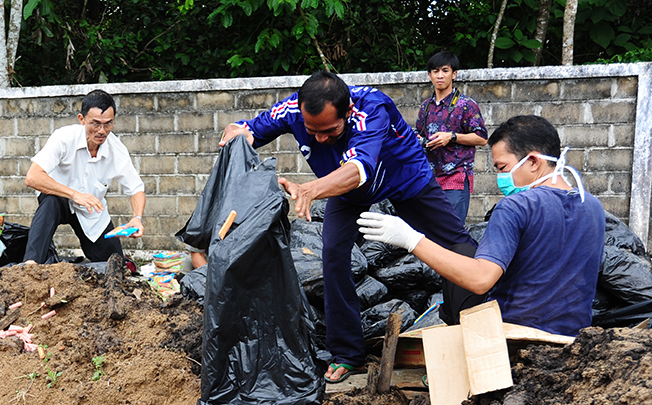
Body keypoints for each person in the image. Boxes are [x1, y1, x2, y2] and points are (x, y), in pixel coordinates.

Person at [220, 71, 478, 383]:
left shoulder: (371, 108)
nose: (319, 139)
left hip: (405, 178)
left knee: (456, 246)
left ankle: (465, 336)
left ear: (347, 112)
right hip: (346, 190)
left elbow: (358, 169)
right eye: (311, 131)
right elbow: (248, 131)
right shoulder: (291, 109)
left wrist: (310, 189)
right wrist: (238, 133)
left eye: (329, 131)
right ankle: (348, 354)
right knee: (333, 255)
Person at [358, 115, 605, 336]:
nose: (501, 178)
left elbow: (481, 280)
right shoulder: (592, 206)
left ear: (533, 162)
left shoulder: (517, 206)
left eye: (503, 168)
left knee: (462, 252)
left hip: (515, 333)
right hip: (575, 334)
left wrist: (411, 240)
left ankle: (460, 352)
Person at [23, 89, 146, 264]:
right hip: (60, 198)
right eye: (95, 124)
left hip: (91, 210)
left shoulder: (116, 149)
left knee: (114, 263)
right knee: (50, 203)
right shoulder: (64, 138)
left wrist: (137, 217)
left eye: (108, 124)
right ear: (82, 120)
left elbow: (136, 188)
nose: (102, 131)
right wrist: (75, 195)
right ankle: (31, 264)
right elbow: (32, 177)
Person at [415, 51, 488, 225]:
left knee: (451, 231)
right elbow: (420, 136)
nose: (440, 75)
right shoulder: (425, 107)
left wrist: (452, 137)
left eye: (445, 70)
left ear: (454, 74)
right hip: (429, 180)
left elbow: (482, 138)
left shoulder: (466, 105)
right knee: (429, 232)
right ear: (429, 75)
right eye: (435, 71)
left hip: (455, 178)